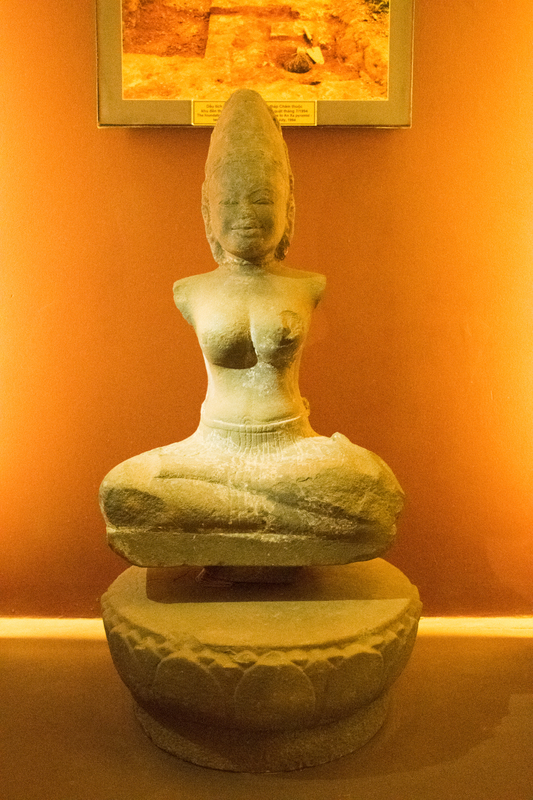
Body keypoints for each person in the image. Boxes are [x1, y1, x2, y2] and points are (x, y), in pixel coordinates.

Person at [99, 90, 403, 567]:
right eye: (230, 201)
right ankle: (277, 520)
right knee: (123, 492)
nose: (245, 215)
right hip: (210, 453)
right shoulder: (191, 290)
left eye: (262, 199)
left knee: (372, 493)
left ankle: (234, 519)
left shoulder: (306, 286)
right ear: (207, 211)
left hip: (293, 456)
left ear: (288, 207)